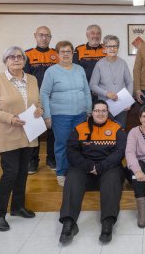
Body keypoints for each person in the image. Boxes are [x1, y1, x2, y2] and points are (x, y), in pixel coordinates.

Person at [0, 46, 43, 231]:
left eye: (19, 57)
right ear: (6, 61)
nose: (16, 59)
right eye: (12, 57)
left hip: (29, 134)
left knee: (23, 172)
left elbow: (37, 102)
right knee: (10, 173)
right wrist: (10, 118)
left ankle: (17, 207)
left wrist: (40, 109)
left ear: (24, 60)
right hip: (8, 134)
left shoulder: (31, 79)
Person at [59, 100, 126, 244]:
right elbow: (71, 151)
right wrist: (88, 166)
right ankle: (68, 223)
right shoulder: (80, 128)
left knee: (113, 178)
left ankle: (107, 222)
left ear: (108, 113)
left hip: (108, 168)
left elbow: (120, 152)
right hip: (84, 168)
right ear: (92, 113)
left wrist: (101, 166)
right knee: (72, 177)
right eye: (97, 110)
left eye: (103, 111)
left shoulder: (117, 129)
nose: (100, 113)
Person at [40, 41, 92, 187]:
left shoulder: (80, 69)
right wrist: (47, 115)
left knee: (79, 144)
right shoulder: (51, 71)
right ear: (57, 54)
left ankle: (77, 171)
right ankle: (62, 172)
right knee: (62, 144)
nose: (65, 54)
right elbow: (44, 93)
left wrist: (89, 109)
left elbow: (86, 91)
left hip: (80, 114)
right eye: (62, 52)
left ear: (72, 53)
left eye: (68, 51)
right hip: (60, 115)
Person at [24, 26, 59, 174]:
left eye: (47, 36)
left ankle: (51, 159)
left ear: (51, 38)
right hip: (34, 100)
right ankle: (32, 161)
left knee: (52, 131)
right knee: (34, 131)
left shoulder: (56, 54)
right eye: (41, 35)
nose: (44, 38)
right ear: (35, 36)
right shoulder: (27, 55)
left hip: (53, 99)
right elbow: (24, 78)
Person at [89, 35, 133, 128]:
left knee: (120, 130)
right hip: (105, 106)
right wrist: (106, 93)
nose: (112, 49)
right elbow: (92, 85)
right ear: (104, 47)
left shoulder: (123, 63)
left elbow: (129, 82)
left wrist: (128, 101)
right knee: (105, 132)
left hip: (122, 105)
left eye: (115, 46)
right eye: (109, 46)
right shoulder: (99, 64)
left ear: (118, 47)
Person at [73, 24, 106, 103]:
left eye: (98, 33)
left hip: (104, 90)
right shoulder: (79, 49)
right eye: (93, 33)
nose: (96, 36)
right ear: (87, 35)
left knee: (103, 114)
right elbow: (75, 72)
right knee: (87, 114)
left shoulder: (107, 49)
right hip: (85, 91)